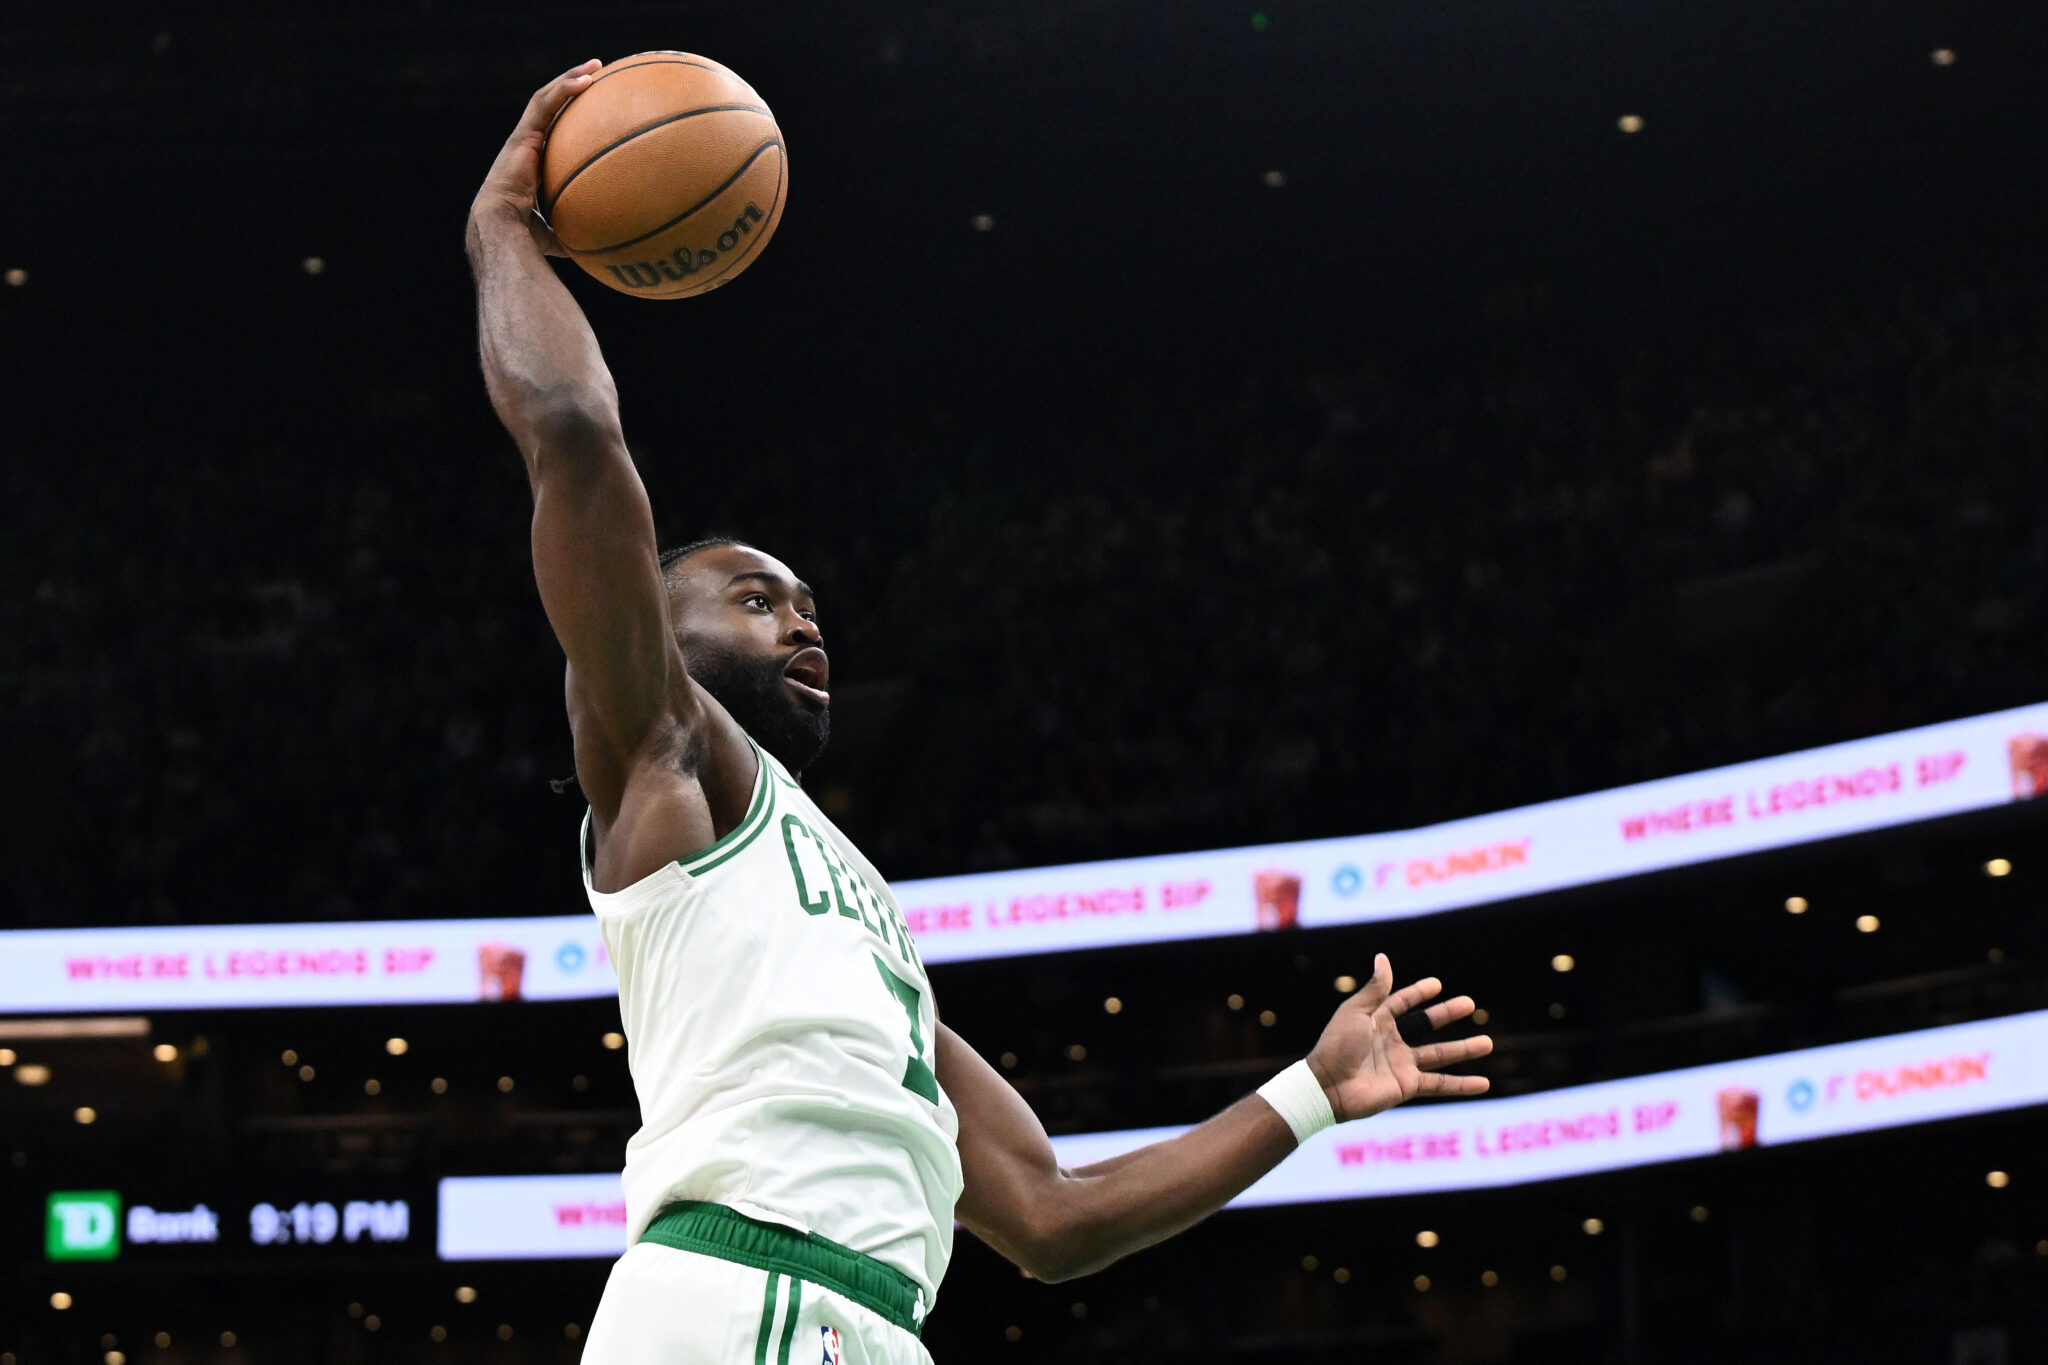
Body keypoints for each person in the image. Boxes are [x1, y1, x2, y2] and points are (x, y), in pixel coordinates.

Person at [467, 61, 1495, 1365]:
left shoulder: (853, 916)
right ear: (655, 633)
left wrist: (1311, 1092)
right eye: (752, 594)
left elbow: (1054, 1218)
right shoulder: (662, 758)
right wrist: (500, 232)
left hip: (867, 1322)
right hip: (745, 1299)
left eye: (810, 601)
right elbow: (572, 433)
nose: (803, 619)